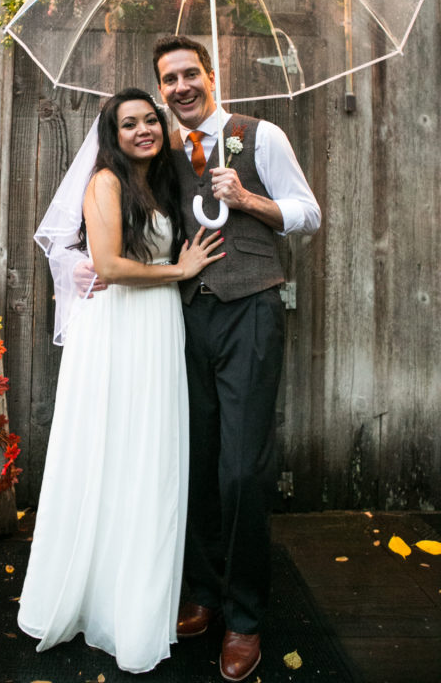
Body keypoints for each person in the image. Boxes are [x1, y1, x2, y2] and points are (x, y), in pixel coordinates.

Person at [17, 87, 225, 674]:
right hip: (118, 331)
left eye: (149, 121)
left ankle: (137, 594)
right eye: (129, 123)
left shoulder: (159, 184)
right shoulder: (105, 183)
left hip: (157, 327)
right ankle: (99, 597)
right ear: (112, 134)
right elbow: (106, 265)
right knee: (110, 452)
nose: (142, 130)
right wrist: (177, 269)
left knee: (147, 456)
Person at [152, 35, 321, 681]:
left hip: (250, 310)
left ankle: (244, 617)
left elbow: (310, 213)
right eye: (169, 80)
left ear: (212, 75)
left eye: (190, 74)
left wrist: (247, 198)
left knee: (243, 470)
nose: (181, 87)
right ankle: (201, 590)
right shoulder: (164, 152)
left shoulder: (261, 136)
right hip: (183, 316)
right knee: (193, 460)